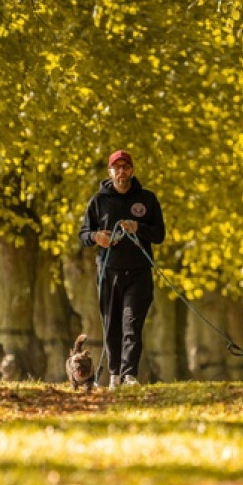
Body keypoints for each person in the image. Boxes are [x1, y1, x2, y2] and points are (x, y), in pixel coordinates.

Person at [79, 149, 165, 388]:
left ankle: (129, 375)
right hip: (108, 272)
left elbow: (159, 235)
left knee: (132, 323)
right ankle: (114, 374)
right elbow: (83, 234)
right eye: (116, 168)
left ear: (132, 170)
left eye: (125, 167)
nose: (121, 172)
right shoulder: (98, 201)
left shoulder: (147, 199)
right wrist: (97, 237)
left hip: (139, 272)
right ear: (110, 172)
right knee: (111, 324)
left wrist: (138, 227)